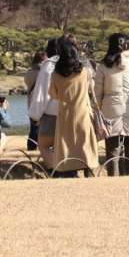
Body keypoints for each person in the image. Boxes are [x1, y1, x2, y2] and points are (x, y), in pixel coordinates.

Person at [94, 33, 129, 176]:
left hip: (110, 110)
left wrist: (98, 111)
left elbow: (97, 93)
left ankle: (113, 178)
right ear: (128, 47)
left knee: (112, 151)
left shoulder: (104, 66)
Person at [49, 42, 98, 176]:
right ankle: (89, 173)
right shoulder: (85, 71)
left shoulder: (55, 74)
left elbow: (53, 94)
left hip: (64, 114)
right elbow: (91, 88)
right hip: (83, 112)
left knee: (67, 146)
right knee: (85, 145)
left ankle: (69, 174)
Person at [29, 37, 62, 172]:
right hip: (72, 112)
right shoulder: (75, 63)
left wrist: (35, 115)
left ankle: (54, 173)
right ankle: (68, 171)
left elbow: (41, 92)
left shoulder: (49, 64)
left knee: (44, 145)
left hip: (51, 112)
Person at [23, 51, 47, 152]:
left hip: (31, 103)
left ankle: (31, 149)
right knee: (45, 129)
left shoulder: (28, 73)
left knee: (33, 129)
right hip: (43, 103)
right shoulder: (45, 72)